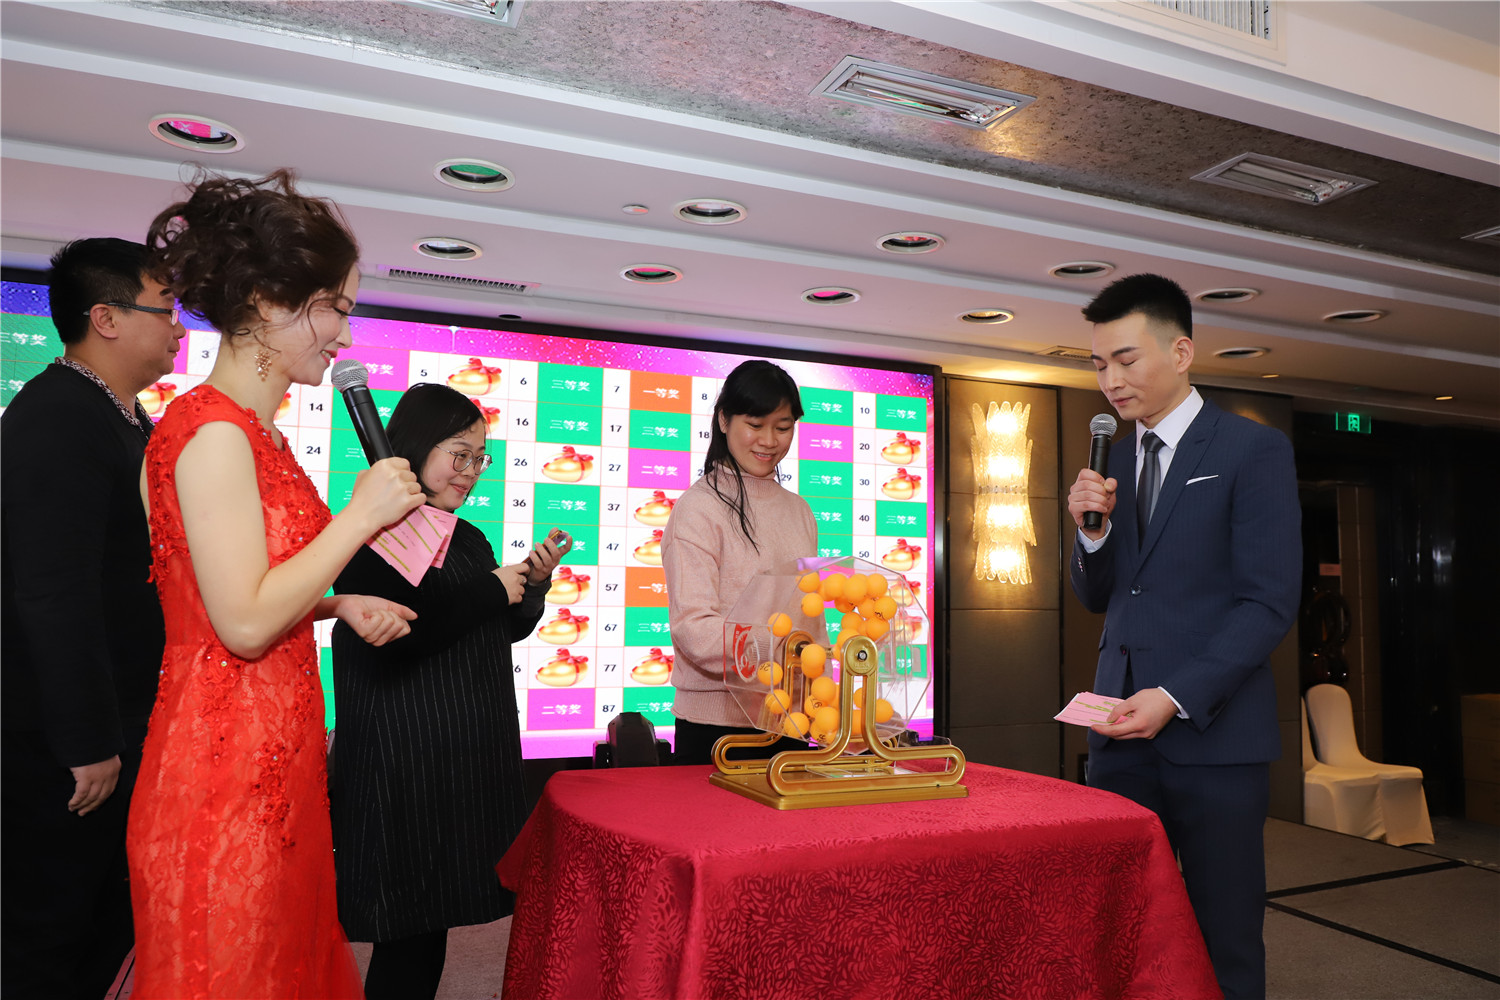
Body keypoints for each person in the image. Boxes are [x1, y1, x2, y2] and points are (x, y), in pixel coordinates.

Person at [126, 169, 427, 999]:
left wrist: (337, 600)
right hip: (222, 776)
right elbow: (244, 624)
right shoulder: (213, 434)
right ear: (265, 300)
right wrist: (358, 519)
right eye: (335, 308)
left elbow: (239, 590)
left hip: (274, 764)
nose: (345, 335)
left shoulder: (255, 435)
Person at [1066, 273, 1300, 999]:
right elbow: (1100, 597)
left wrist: (1174, 695)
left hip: (1214, 739)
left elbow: (1268, 603)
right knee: (1122, 930)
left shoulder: (1251, 449)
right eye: (1099, 364)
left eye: (1126, 359)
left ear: (1182, 351)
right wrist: (1090, 536)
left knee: (1223, 934)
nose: (1111, 380)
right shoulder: (1112, 460)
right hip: (1119, 738)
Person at [329, 383, 567, 1000]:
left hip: (459, 762)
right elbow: (402, 633)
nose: (470, 470)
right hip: (406, 768)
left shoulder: (466, 536)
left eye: (479, 457)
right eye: (458, 453)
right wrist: (491, 589)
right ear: (415, 445)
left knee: (428, 926)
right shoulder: (375, 532)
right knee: (406, 932)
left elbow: (497, 629)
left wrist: (531, 586)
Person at [0, 238, 180, 999]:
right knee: (47, 935)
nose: (179, 328)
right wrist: (87, 743)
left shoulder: (124, 418)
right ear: (106, 318)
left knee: (103, 927)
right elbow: (52, 592)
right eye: (165, 309)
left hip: (120, 722)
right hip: (63, 747)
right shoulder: (56, 417)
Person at [662, 360, 819, 766]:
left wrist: (820, 680)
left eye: (783, 427)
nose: (769, 441)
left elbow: (809, 617)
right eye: (755, 424)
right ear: (723, 420)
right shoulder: (698, 508)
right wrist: (779, 645)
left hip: (791, 720)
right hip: (717, 728)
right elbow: (694, 629)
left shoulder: (800, 511)